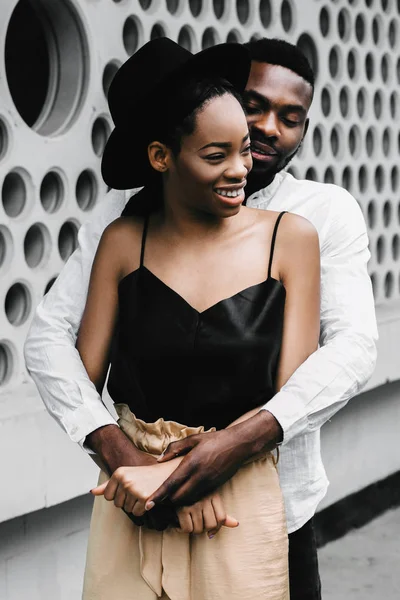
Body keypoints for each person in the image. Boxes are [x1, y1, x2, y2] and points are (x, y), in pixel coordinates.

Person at [24, 37, 377, 600]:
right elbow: (49, 340)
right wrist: (122, 456)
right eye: (253, 105)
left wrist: (234, 445)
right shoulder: (125, 223)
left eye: (291, 117)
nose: (266, 129)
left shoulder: (316, 217)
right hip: (136, 503)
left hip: (273, 508)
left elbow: (352, 347)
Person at [75, 37, 319, 599]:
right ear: (162, 157)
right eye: (216, 156)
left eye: (242, 149)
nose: (241, 169)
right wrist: (144, 472)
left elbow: (294, 394)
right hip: (129, 495)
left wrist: (194, 476)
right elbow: (83, 387)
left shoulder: (291, 240)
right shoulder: (121, 243)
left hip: (236, 498)